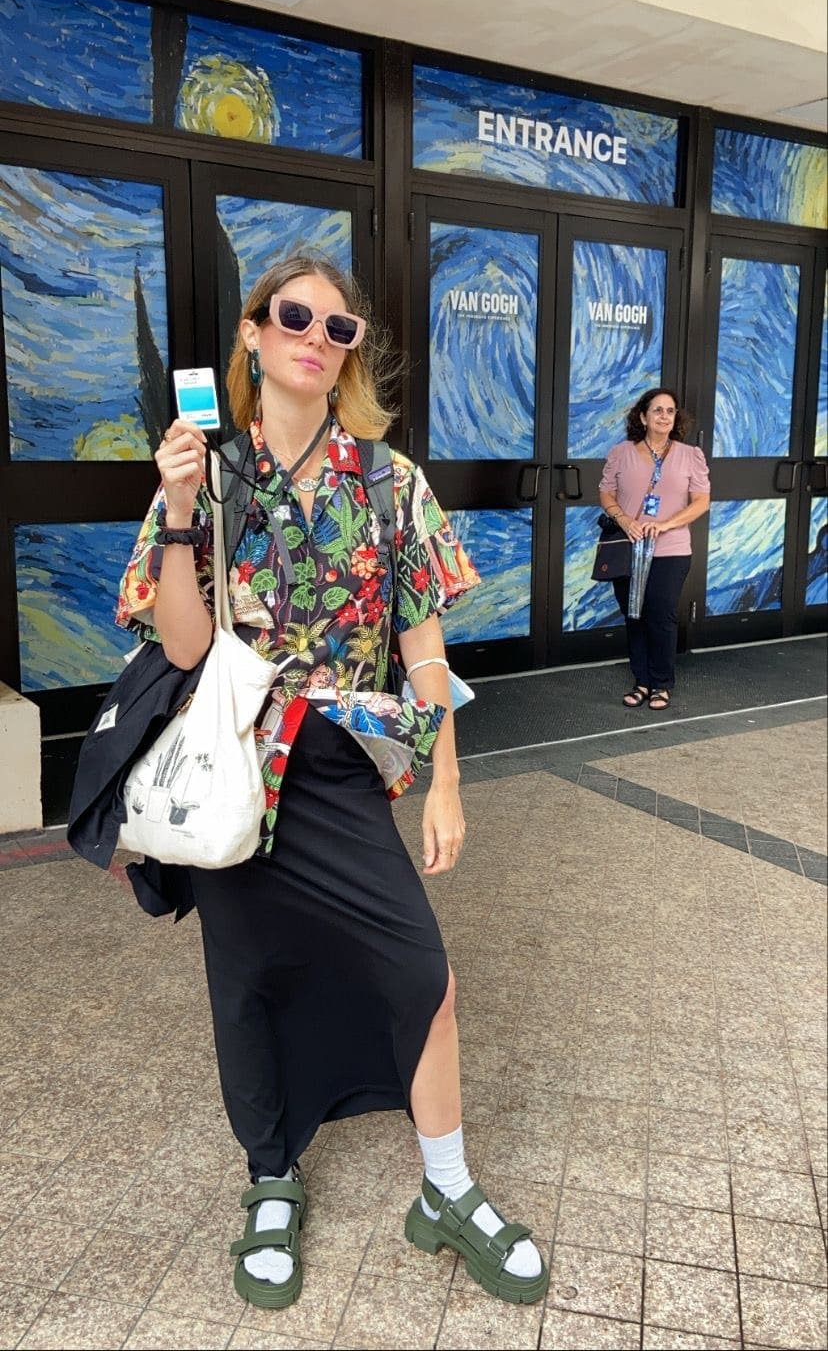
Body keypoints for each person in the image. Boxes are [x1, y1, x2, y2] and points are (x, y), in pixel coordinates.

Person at [115, 255, 550, 1310]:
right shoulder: (208, 474)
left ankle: (446, 1187)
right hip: (237, 773)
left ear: (350, 352)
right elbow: (181, 646)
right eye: (294, 316)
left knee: (424, 971)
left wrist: (447, 778)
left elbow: (425, 647)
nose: (316, 337)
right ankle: (271, 1177)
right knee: (249, 984)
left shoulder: (390, 482)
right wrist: (181, 508)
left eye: (338, 327)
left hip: (346, 767)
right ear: (254, 333)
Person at [599, 387, 710, 711]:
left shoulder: (690, 455)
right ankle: (641, 681)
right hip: (629, 547)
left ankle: (662, 684)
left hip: (671, 549)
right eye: (657, 410)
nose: (664, 416)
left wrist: (666, 524)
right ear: (643, 417)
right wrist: (624, 520)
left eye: (670, 411)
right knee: (634, 614)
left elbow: (701, 501)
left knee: (661, 614)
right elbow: (606, 493)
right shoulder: (621, 452)